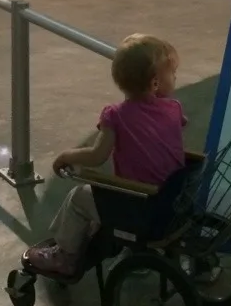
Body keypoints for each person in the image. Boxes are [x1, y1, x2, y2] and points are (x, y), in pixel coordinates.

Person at [26, 34, 187, 276]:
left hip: (140, 207)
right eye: (172, 73)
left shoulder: (116, 116)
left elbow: (97, 155)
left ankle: (65, 255)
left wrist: (66, 156)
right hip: (172, 202)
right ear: (155, 83)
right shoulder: (174, 109)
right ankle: (129, 250)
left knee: (79, 196)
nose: (175, 77)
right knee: (109, 191)